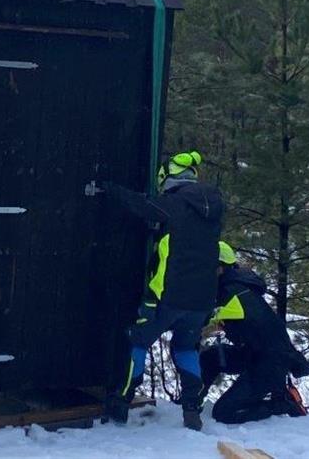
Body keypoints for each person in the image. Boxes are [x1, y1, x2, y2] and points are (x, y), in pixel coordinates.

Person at [101, 151, 224, 431]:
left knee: (138, 341)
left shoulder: (175, 204)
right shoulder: (214, 207)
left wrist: (110, 189)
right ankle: (192, 406)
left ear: (168, 177)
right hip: (202, 299)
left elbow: (141, 205)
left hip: (166, 297)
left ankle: (121, 401)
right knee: (185, 347)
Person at [198, 242, 309, 424]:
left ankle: (282, 403)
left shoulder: (231, 293)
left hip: (270, 363)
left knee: (223, 413)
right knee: (210, 357)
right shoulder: (237, 287)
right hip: (255, 355)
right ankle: (192, 401)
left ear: (219, 268)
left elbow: (203, 320)